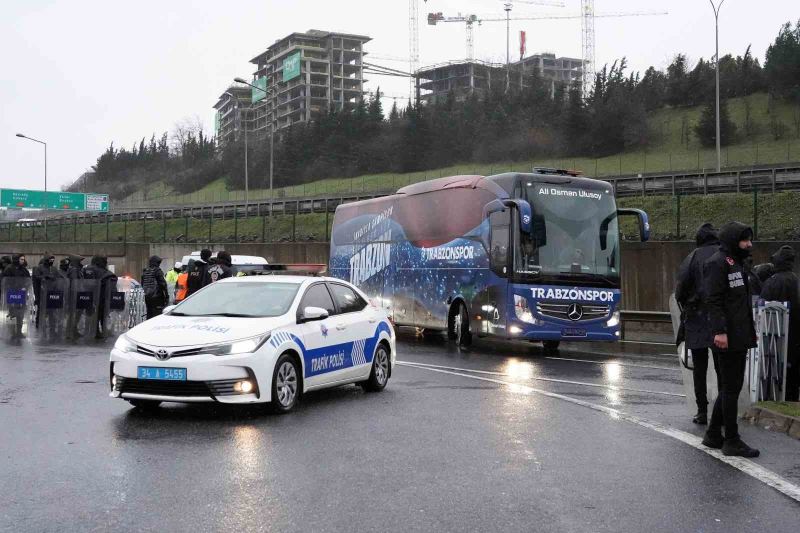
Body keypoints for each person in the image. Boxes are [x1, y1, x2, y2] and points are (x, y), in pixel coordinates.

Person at [702, 221, 760, 458]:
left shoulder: (736, 263)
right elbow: (713, 300)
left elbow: (739, 302)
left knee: (729, 387)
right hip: (727, 336)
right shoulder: (717, 263)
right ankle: (732, 440)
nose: (749, 244)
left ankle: (714, 434)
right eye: (745, 240)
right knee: (731, 388)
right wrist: (720, 332)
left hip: (738, 334)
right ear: (732, 240)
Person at [675, 223, 719, 425]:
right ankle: (724, 410)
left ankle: (702, 411)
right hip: (720, 319)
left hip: (697, 319)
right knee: (723, 367)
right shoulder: (725, 255)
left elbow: (680, 291)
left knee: (699, 368)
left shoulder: (691, 258)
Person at [760, 245, 800, 401]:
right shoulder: (796, 280)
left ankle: (774, 396)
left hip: (775, 333)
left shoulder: (772, 282)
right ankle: (792, 398)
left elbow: (762, 307)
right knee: (793, 372)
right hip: (795, 335)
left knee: (775, 368)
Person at [83, 256, 118, 339]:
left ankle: (96, 331)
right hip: (101, 297)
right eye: (105, 261)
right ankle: (99, 331)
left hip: (94, 296)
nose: (106, 262)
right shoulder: (102, 271)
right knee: (101, 315)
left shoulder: (89, 269)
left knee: (98, 315)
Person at [3, 254, 31, 339]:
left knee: (21, 314)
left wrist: (25, 287)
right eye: (21, 259)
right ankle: (12, 332)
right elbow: (5, 280)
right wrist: (10, 289)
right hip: (12, 294)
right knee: (13, 313)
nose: (23, 261)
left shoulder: (24, 269)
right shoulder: (9, 269)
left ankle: (19, 332)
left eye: (23, 259)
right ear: (16, 259)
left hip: (21, 294)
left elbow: (28, 280)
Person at [32, 254, 56, 328]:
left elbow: (56, 276)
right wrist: (45, 277)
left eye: (53, 260)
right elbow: (36, 277)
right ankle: (38, 324)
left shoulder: (52, 268)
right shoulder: (40, 267)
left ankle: (51, 325)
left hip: (50, 291)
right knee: (41, 309)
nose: (52, 262)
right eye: (51, 260)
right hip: (41, 291)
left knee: (51, 310)